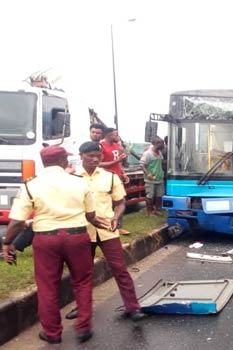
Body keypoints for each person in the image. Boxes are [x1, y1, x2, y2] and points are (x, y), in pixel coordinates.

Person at [1, 146, 108, 344]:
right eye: (66, 159)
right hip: (77, 237)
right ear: (61, 161)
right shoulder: (79, 182)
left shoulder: (30, 185)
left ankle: (52, 333)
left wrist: (7, 243)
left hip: (45, 239)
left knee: (47, 286)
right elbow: (91, 214)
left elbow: (16, 221)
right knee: (82, 282)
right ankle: (83, 328)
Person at [64, 142, 146, 322]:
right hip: (81, 231)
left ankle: (132, 307)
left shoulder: (111, 177)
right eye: (90, 155)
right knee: (82, 273)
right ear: (81, 155)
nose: (95, 159)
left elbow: (120, 202)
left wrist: (116, 217)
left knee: (120, 269)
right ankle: (82, 307)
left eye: (98, 155)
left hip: (108, 230)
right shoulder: (71, 177)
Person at [100, 128, 131, 235]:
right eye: (115, 135)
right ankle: (106, 224)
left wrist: (123, 174)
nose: (117, 137)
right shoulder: (101, 146)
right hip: (106, 178)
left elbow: (118, 164)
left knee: (120, 202)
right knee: (108, 203)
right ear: (108, 135)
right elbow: (99, 164)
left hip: (117, 178)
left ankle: (118, 226)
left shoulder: (116, 146)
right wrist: (117, 160)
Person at [140, 137, 166, 216]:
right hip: (150, 179)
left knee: (159, 196)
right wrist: (148, 174)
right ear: (156, 144)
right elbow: (142, 164)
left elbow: (160, 162)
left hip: (159, 178)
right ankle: (149, 212)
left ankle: (157, 210)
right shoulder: (148, 153)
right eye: (161, 143)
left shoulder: (159, 152)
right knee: (150, 196)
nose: (163, 145)